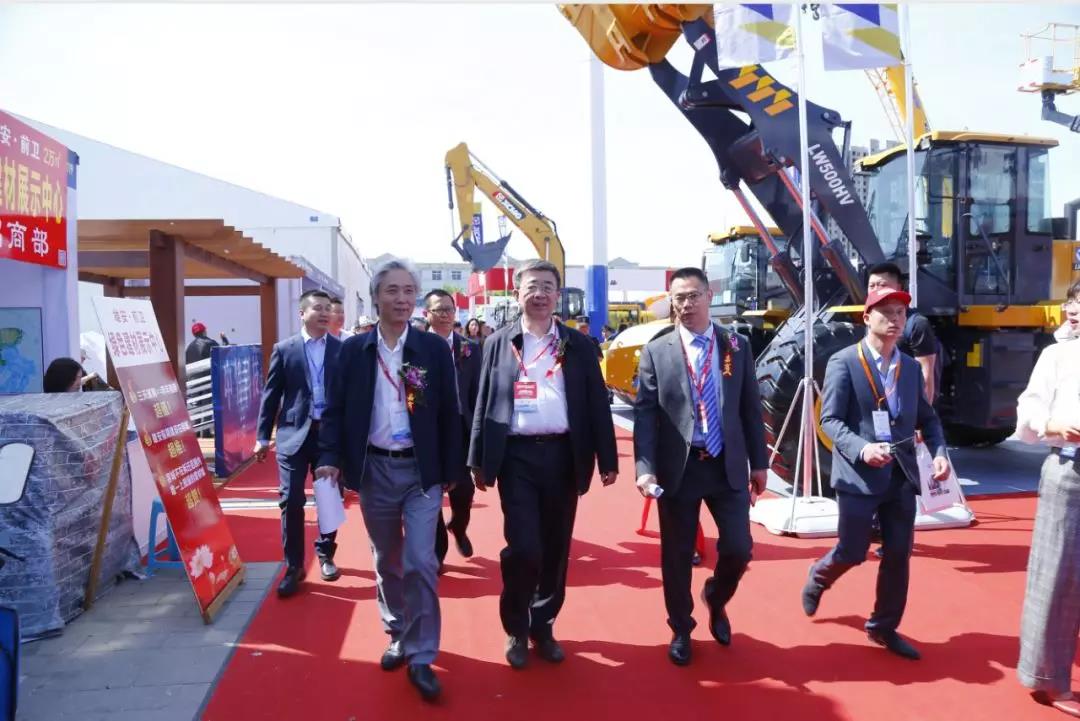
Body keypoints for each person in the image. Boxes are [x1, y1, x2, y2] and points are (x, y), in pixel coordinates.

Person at [317, 258, 461, 702]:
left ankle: (421, 654)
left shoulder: (431, 349)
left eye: (408, 291)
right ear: (376, 297)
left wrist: (451, 469)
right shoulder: (352, 351)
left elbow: (449, 411)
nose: (401, 299)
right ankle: (397, 630)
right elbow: (334, 410)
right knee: (387, 559)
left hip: (421, 471)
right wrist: (330, 458)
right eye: (392, 291)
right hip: (374, 469)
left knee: (420, 560)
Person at [468, 259, 618, 669]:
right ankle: (516, 627)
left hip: (563, 455)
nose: (540, 294)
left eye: (548, 286)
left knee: (555, 548)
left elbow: (596, 404)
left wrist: (607, 457)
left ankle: (543, 624)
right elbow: (483, 401)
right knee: (524, 548)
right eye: (532, 286)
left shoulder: (579, 345)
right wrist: (477, 458)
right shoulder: (498, 342)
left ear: (558, 295)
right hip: (516, 456)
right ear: (517, 292)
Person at [801, 286, 950, 661]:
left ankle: (883, 627)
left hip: (900, 476)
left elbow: (928, 420)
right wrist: (862, 448)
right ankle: (820, 575)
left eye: (901, 313)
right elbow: (830, 420)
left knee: (899, 554)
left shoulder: (910, 368)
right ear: (867, 318)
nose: (895, 320)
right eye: (887, 313)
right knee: (852, 551)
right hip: (858, 475)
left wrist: (939, 454)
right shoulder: (844, 362)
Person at [633, 267, 768, 666]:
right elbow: (645, 414)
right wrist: (645, 467)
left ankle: (716, 596)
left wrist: (760, 463)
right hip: (681, 467)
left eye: (694, 296)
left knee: (739, 548)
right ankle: (681, 627)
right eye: (679, 298)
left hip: (727, 465)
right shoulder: (657, 350)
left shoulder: (736, 346)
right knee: (676, 556)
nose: (687, 304)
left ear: (710, 296)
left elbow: (750, 407)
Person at [1014, 280, 1080, 717]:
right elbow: (1030, 406)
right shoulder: (1057, 355)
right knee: (1057, 578)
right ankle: (1047, 678)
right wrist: (1052, 425)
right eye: (1073, 302)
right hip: (1069, 472)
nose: (1074, 310)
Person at [254, 290, 343, 598]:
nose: (325, 313)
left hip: (329, 436)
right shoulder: (285, 349)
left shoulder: (341, 349)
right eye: (318, 308)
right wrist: (262, 437)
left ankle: (326, 553)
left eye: (328, 309)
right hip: (293, 434)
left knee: (328, 497)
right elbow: (271, 394)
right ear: (302, 313)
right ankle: (293, 566)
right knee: (291, 499)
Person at [423, 289, 482, 569]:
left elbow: (478, 391)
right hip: (427, 429)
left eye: (450, 309)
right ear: (427, 314)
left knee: (463, 491)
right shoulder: (414, 346)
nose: (446, 314)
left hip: (460, 426)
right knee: (430, 491)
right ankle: (438, 549)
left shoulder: (469, 348)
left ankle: (459, 526)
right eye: (439, 310)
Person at [867, 262, 940, 403]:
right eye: (872, 286)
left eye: (882, 285)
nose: (876, 290)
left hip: (906, 406)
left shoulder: (917, 325)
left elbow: (926, 378)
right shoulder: (872, 323)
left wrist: (922, 414)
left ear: (899, 288)